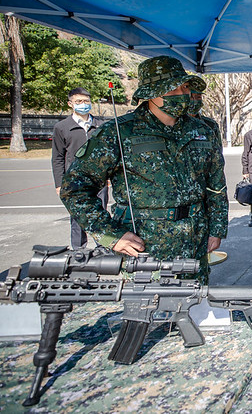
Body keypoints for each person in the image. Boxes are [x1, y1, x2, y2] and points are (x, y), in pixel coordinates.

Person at [60, 56, 227, 283]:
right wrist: (111, 236)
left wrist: (216, 228)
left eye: (184, 87)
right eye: (172, 89)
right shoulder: (119, 133)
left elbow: (216, 184)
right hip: (147, 247)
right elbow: (75, 189)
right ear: (151, 94)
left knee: (193, 308)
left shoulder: (202, 130)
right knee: (149, 312)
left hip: (196, 242)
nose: (181, 94)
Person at [51, 87, 109, 249]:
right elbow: (57, 157)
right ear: (70, 104)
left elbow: (108, 155)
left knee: (101, 215)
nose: (83, 104)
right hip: (74, 180)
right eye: (79, 102)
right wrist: (59, 182)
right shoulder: (62, 127)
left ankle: (102, 247)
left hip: (99, 179)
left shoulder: (101, 126)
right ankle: (79, 249)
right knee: (77, 216)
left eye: (86, 101)